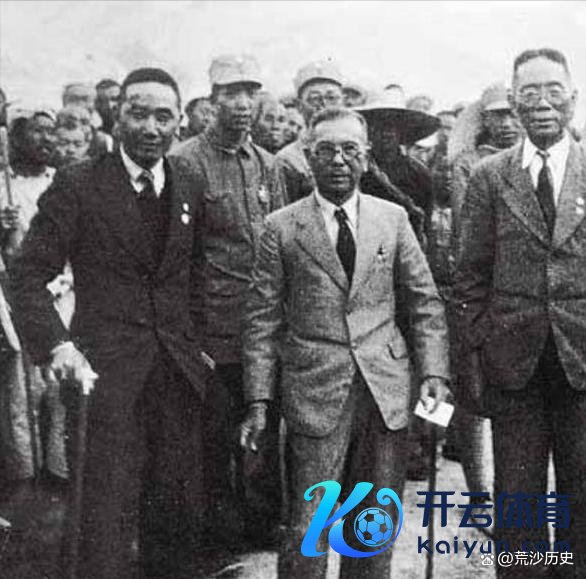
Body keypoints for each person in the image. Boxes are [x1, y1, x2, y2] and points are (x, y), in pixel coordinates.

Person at [10, 67, 208, 579]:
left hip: (176, 378)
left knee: (175, 518)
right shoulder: (79, 183)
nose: (151, 127)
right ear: (117, 117)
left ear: (180, 122)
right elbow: (26, 276)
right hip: (105, 379)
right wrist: (59, 346)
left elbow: (193, 272)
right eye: (138, 114)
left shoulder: (188, 181)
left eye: (163, 116)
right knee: (103, 524)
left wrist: (198, 345)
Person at [240, 107, 450, 578]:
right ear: (308, 156)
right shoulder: (281, 226)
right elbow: (262, 319)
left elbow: (424, 302)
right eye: (326, 150)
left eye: (350, 150)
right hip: (314, 391)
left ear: (366, 157)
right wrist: (258, 400)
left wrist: (434, 372)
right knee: (308, 526)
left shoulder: (393, 218)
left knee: (372, 524)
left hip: (384, 390)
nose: (338, 160)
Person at [453, 48, 586, 577]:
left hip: (582, 363)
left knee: (583, 495)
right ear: (513, 101)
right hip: (514, 367)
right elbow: (469, 275)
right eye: (529, 93)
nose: (543, 103)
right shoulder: (490, 176)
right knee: (519, 499)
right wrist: (478, 351)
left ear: (573, 98)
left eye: (554, 90)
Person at [172, 54, 285, 547]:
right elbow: (177, 257)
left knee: (263, 427)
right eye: (231, 93)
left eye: (250, 93)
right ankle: (218, 532)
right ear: (212, 99)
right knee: (215, 437)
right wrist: (188, 333)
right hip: (212, 328)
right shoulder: (185, 162)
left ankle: (260, 523)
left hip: (264, 327)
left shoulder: (267, 165)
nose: (242, 103)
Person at [450, 84, 523, 231]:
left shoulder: (535, 157)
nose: (506, 124)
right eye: (498, 116)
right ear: (485, 120)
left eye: (513, 115)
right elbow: (464, 220)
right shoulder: (468, 163)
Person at [276, 60, 344, 202]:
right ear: (299, 106)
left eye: (332, 98)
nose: (324, 105)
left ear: (343, 101)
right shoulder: (288, 159)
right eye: (315, 99)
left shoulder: (355, 148)